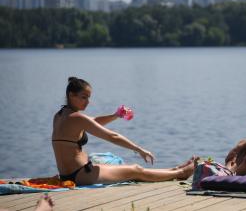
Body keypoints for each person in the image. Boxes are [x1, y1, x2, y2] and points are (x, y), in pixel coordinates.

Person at [52, 77, 195, 186]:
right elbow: (112, 136)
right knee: (135, 170)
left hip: (69, 175)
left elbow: (92, 121)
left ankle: (174, 169)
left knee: (132, 169)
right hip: (81, 175)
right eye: (84, 97)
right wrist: (138, 149)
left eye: (89, 98)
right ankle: (181, 173)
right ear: (71, 95)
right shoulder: (77, 118)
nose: (87, 102)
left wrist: (115, 115)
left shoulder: (60, 116)